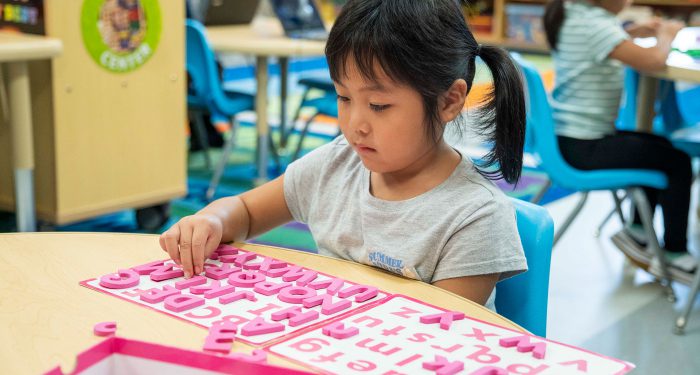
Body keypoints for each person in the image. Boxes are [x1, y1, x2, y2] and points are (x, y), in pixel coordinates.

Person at [160, 0, 528, 310]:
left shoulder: (476, 217)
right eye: (344, 97)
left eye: (379, 105)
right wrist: (211, 220)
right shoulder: (336, 164)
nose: (355, 125)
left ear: (450, 100)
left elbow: (437, 338)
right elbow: (245, 212)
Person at [543, 0, 696, 278]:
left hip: (571, 139)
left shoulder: (575, 14)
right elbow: (654, 60)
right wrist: (667, 35)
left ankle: (638, 233)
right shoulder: (595, 25)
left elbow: (612, 35)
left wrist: (635, 31)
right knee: (678, 162)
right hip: (585, 148)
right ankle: (675, 253)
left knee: (656, 146)